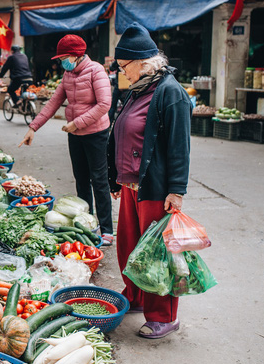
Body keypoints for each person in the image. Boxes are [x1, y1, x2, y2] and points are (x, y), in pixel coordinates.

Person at [108, 22, 192, 339]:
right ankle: (138, 296)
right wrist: (117, 178)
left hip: (155, 189)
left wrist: (177, 191)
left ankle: (164, 315)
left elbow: (179, 147)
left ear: (142, 62)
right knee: (131, 248)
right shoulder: (140, 89)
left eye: (124, 66)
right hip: (131, 187)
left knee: (157, 254)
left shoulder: (171, 93)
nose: (122, 73)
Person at [20, 34, 114, 245]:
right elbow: (53, 102)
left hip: (96, 134)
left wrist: (77, 122)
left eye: (64, 57)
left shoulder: (96, 71)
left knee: (99, 181)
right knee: (81, 180)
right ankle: (88, 223)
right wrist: (33, 127)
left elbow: (104, 105)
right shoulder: (68, 74)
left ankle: (107, 230)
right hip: (75, 135)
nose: (62, 61)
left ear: (75, 55)